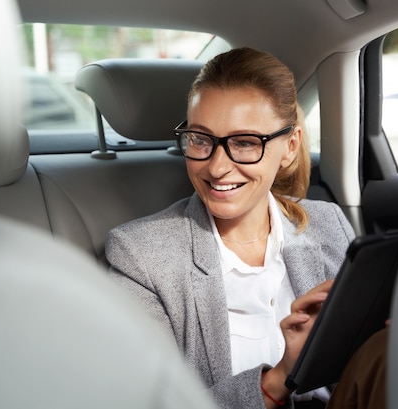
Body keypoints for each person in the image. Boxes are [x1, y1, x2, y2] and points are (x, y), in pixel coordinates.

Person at [106, 47, 356, 409]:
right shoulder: (140, 256)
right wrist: (280, 377)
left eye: (244, 143)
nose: (217, 167)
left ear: (290, 146)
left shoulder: (328, 223)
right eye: (201, 139)